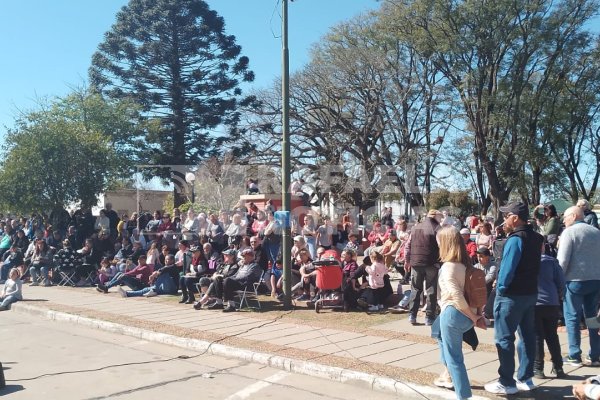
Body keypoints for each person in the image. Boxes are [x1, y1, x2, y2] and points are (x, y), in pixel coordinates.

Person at [484, 202, 544, 395]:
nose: (504, 220)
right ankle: (525, 378)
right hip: (530, 293)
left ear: (515, 217)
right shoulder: (537, 238)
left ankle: (506, 382)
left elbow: (507, 270)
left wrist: (500, 290)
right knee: (527, 337)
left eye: (506, 216)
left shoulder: (515, 239)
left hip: (511, 296)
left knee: (504, 339)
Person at [432, 226, 485, 400]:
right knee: (436, 331)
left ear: (445, 243)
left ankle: (463, 395)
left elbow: (456, 296)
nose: (437, 244)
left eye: (439, 241)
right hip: (461, 314)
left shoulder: (448, 267)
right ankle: (447, 372)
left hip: (454, 314)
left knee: (455, 358)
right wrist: (477, 314)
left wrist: (474, 317)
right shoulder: (465, 264)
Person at [557, 206, 600, 367]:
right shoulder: (596, 231)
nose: (564, 220)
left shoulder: (569, 232)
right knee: (592, 318)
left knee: (572, 317)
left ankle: (574, 354)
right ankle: (595, 354)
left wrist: (558, 281)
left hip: (574, 280)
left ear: (574, 216)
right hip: (595, 280)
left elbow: (562, 260)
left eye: (566, 217)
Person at [534, 240, 566, 379]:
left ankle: (538, 368)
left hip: (534, 303)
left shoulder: (527, 262)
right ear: (542, 247)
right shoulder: (552, 261)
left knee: (537, 337)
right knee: (552, 336)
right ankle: (558, 367)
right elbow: (561, 282)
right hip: (551, 302)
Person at [405, 209, 442, 326]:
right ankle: (429, 317)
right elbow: (442, 246)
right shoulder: (437, 228)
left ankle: (412, 315)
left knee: (415, 289)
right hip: (431, 263)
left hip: (416, 263)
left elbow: (408, 245)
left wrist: (407, 261)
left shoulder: (416, 227)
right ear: (435, 217)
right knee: (431, 290)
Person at [222, 248, 262, 312]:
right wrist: (228, 278)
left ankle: (231, 305)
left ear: (250, 257)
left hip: (246, 285)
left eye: (244, 256)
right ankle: (219, 302)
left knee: (227, 281)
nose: (243, 258)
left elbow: (247, 277)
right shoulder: (243, 266)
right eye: (242, 257)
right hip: (238, 283)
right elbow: (235, 275)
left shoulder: (255, 266)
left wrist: (233, 279)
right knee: (220, 280)